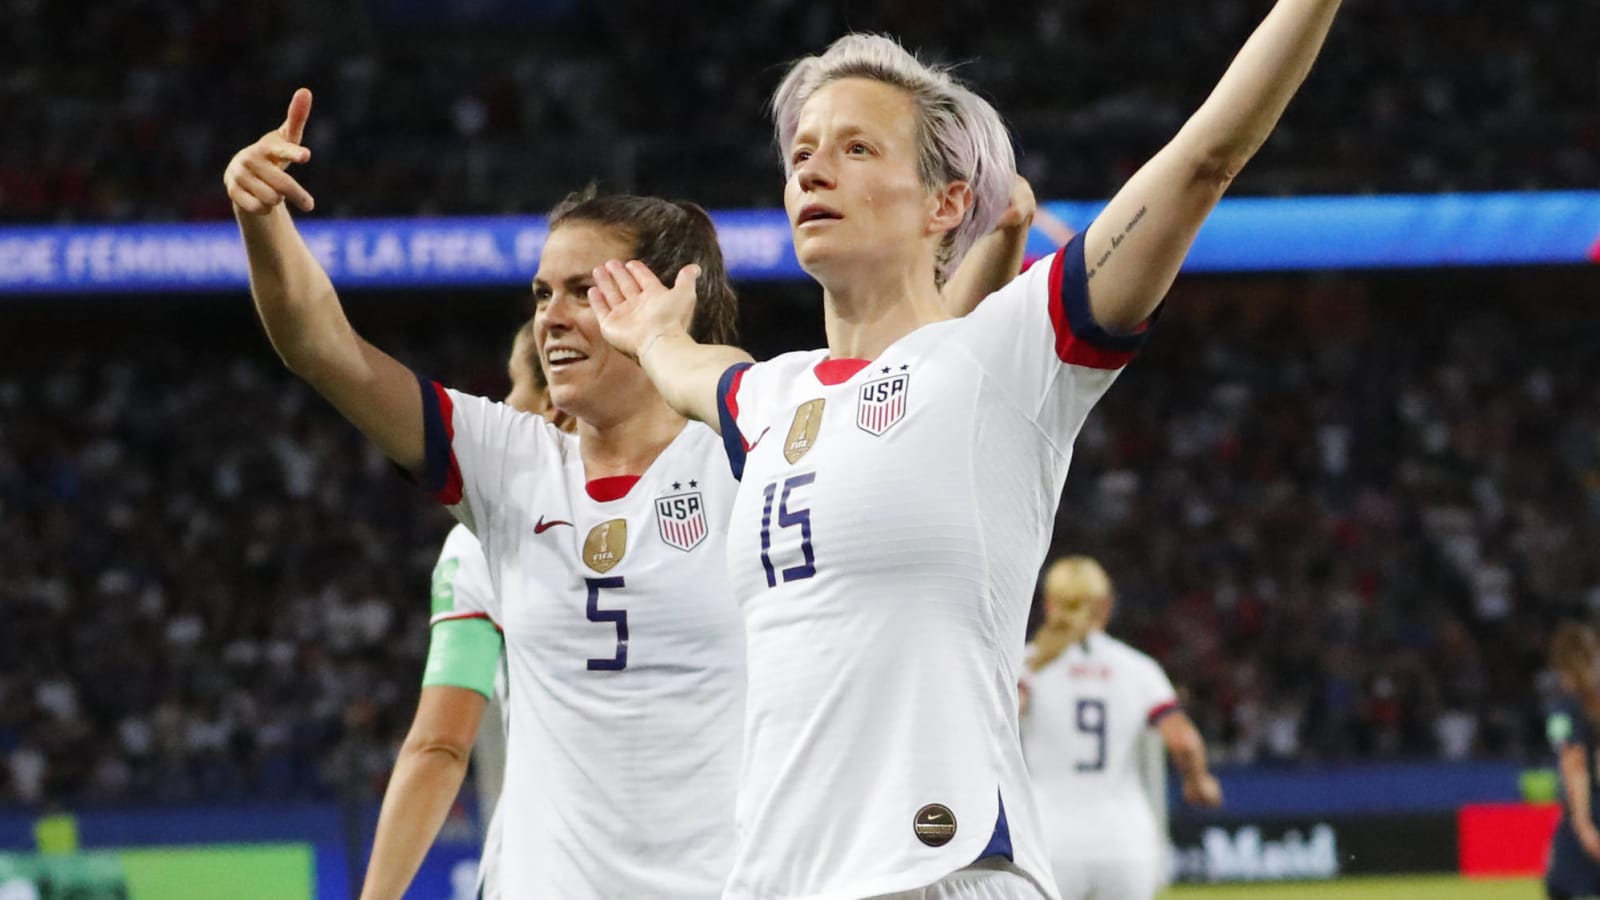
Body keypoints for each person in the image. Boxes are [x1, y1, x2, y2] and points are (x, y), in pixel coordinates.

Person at [590, 4, 1341, 897]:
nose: (812, 167)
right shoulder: (769, 397)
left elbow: (1205, 157)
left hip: (943, 865)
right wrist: (650, 335)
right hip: (775, 877)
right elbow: (688, 368)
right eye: (801, 152)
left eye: (857, 149)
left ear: (947, 204)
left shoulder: (1001, 355)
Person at [223, 89, 1033, 898]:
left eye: (584, 291)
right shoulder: (507, 468)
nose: (553, 319)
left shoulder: (749, 448)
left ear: (657, 299)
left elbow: (917, 386)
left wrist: (991, 245)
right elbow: (321, 346)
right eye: (542, 295)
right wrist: (262, 221)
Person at [362, 321, 563, 900]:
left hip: (540, 877)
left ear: (551, 401)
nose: (503, 405)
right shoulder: (723, 499)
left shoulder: (485, 542)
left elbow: (440, 746)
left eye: (512, 385)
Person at [1020, 557, 1222, 900]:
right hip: (1126, 845)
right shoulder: (1138, 668)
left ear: (1049, 604)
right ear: (1106, 605)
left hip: (1048, 841)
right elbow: (1184, 741)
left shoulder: (1027, 665)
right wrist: (1197, 782)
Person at [1545, 623, 1600, 900]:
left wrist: (1582, 825)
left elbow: (1574, 767)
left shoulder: (1565, 708)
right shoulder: (1592, 705)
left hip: (1586, 810)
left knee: (1562, 886)